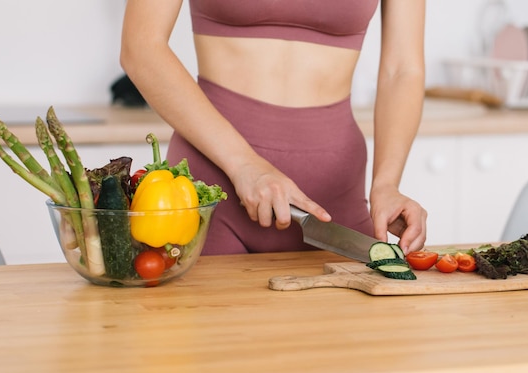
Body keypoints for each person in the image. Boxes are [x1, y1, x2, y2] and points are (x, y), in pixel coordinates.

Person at [120, 0, 427, 255]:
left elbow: (403, 70)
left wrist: (387, 184)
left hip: (334, 203)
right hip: (212, 191)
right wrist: (244, 164)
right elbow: (141, 47)